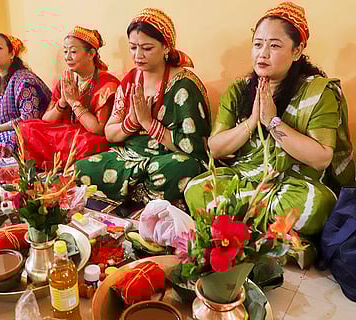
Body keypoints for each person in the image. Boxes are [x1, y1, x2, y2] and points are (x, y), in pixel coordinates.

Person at [184, 2, 354, 265]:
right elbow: (215, 148)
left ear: (297, 51)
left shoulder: (318, 92)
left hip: (294, 184)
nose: (262, 54)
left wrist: (273, 122)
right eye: (258, 44)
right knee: (196, 188)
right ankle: (273, 239)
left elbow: (321, 159)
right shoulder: (240, 89)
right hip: (246, 178)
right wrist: (252, 122)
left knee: (316, 205)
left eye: (274, 46)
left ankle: (235, 232)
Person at [76, 8, 211, 204]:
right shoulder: (131, 79)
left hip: (167, 157)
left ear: (166, 47)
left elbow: (193, 148)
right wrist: (131, 121)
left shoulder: (184, 85)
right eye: (133, 47)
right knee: (81, 168)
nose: (138, 55)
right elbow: (111, 133)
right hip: (130, 156)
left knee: (181, 168)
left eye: (147, 48)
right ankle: (143, 195)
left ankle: (130, 195)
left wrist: (148, 123)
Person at [17, 26, 120, 168]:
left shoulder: (108, 84)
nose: (67, 57)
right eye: (65, 51)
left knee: (88, 144)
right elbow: (46, 119)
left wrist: (74, 102)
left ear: (91, 54)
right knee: (27, 128)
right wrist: (63, 102)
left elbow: (98, 130)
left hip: (88, 136)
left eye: (73, 52)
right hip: (66, 131)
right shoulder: (66, 80)